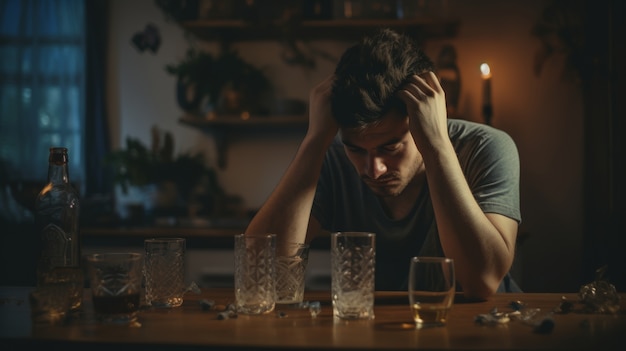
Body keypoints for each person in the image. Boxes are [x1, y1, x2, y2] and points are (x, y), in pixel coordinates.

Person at [245, 29, 521, 300]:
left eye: (390, 147)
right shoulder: (332, 158)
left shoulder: (485, 147)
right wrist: (314, 140)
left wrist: (436, 145)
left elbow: (481, 282)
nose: (373, 169)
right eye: (355, 149)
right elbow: (261, 275)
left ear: (427, 116)